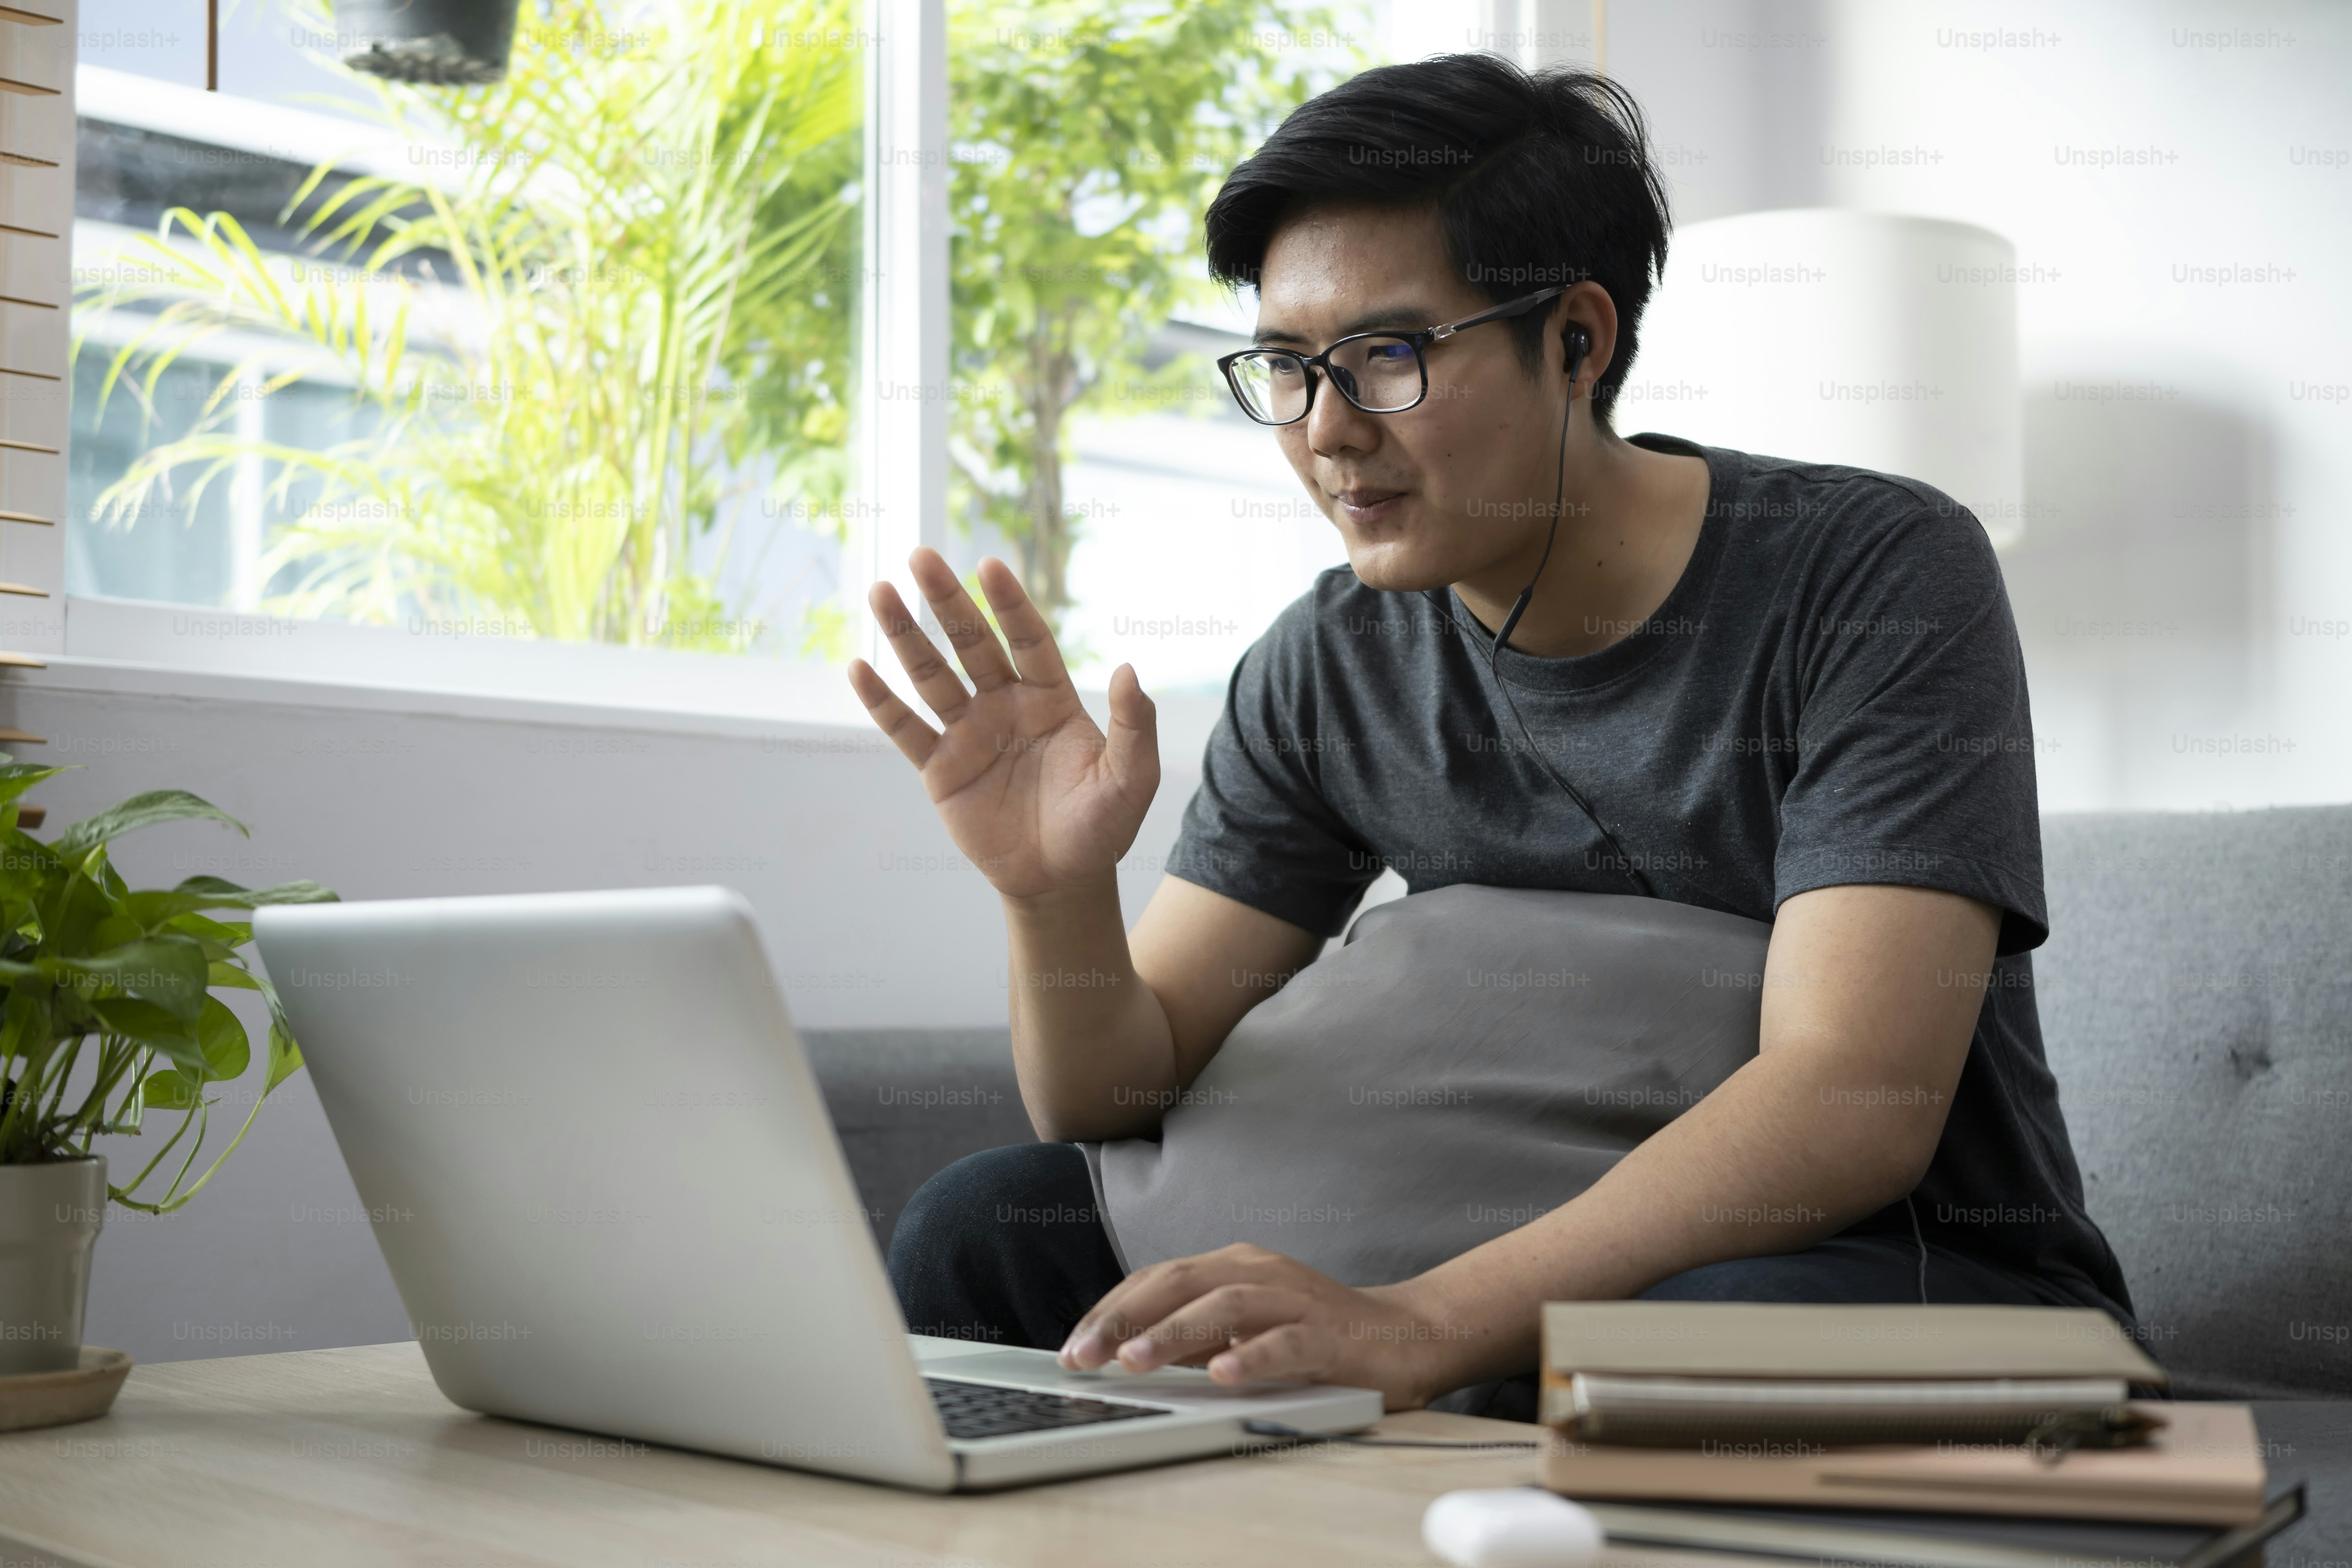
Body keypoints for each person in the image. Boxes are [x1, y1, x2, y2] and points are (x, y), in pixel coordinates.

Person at [846, 54, 2131, 1421]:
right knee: (986, 1227)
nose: (1327, 432)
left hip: (1907, 1270)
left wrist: (1421, 1321)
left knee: (1641, 1357)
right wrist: (1055, 899)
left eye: (1386, 358)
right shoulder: (1328, 661)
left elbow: (1854, 1093)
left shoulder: (1872, 573)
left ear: (1577, 340)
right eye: (1286, 367)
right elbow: (1108, 1096)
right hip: (1485, 1240)